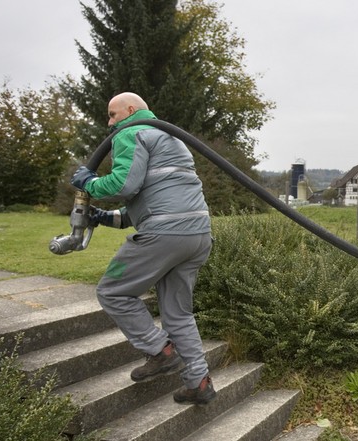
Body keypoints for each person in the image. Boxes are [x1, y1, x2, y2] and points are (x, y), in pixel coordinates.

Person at [71, 92, 215, 405]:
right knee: (178, 314)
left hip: (165, 235)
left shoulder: (130, 133)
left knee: (112, 292)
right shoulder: (169, 138)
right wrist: (103, 217)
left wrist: (88, 182)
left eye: (112, 115)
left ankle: (160, 350)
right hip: (197, 236)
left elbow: (124, 186)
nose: (109, 123)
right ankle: (198, 382)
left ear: (131, 111)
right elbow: (150, 202)